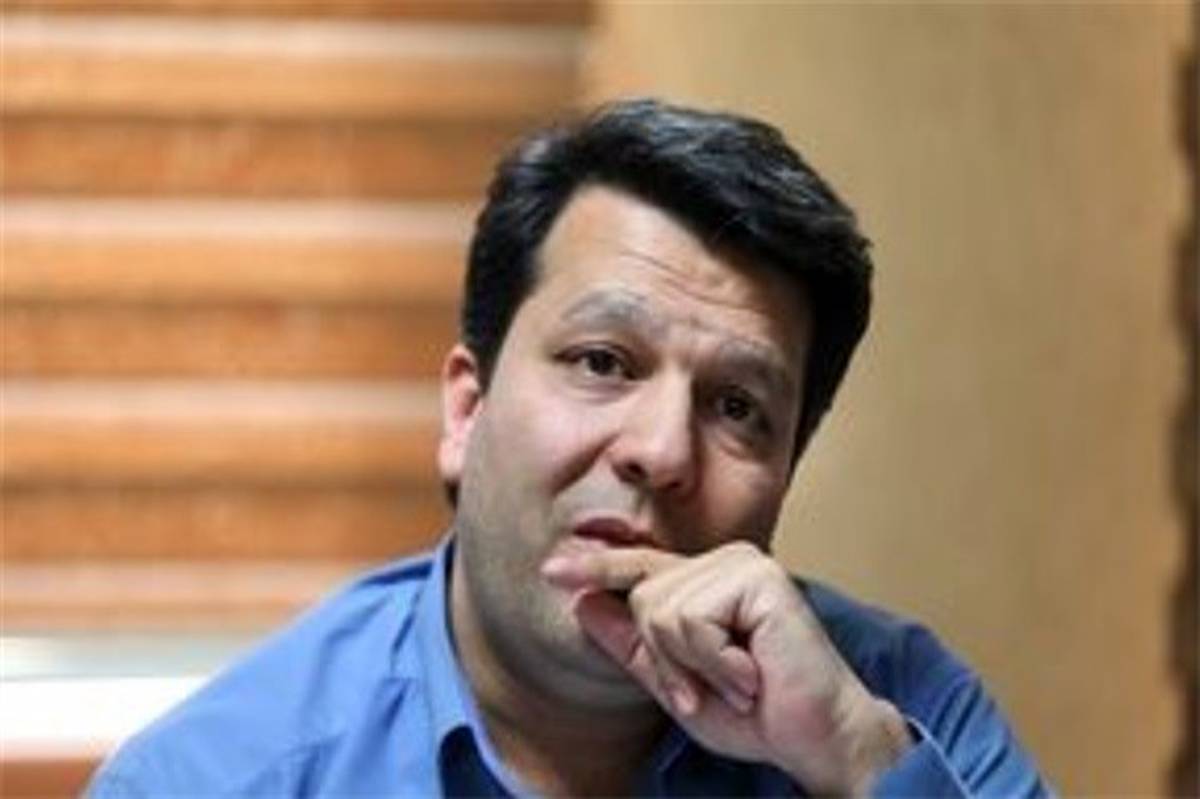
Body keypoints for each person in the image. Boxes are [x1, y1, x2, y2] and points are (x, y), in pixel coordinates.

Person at [88, 98, 1050, 797]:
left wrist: (854, 759)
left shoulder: (901, 708)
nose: (662, 450)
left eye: (738, 407)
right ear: (466, 411)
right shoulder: (216, 778)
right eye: (602, 361)